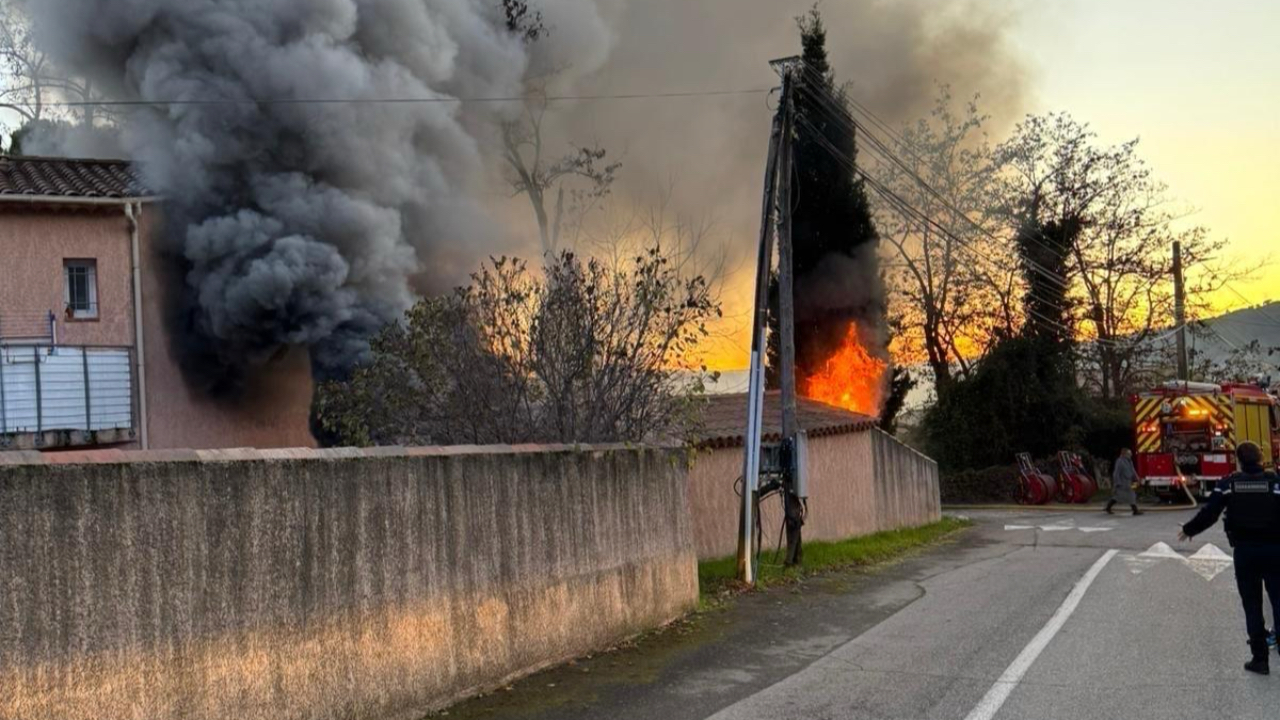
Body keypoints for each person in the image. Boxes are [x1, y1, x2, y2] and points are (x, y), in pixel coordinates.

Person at [1178, 441, 1280, 674]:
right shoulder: (1275, 484)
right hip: (1275, 550)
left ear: (1239, 461)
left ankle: (1260, 659)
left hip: (1245, 553)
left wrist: (1189, 530)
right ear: (1260, 459)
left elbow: (1210, 513)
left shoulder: (1229, 485)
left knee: (1252, 605)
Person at [1106, 448, 1144, 516]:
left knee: (1130, 495)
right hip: (1122, 483)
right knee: (1119, 497)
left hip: (1128, 482)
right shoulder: (1120, 461)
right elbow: (1116, 473)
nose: (1131, 455)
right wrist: (1117, 482)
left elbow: (1133, 471)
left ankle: (1108, 507)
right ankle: (1135, 510)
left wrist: (1137, 478)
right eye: (1129, 453)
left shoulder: (1129, 461)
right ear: (1124, 454)